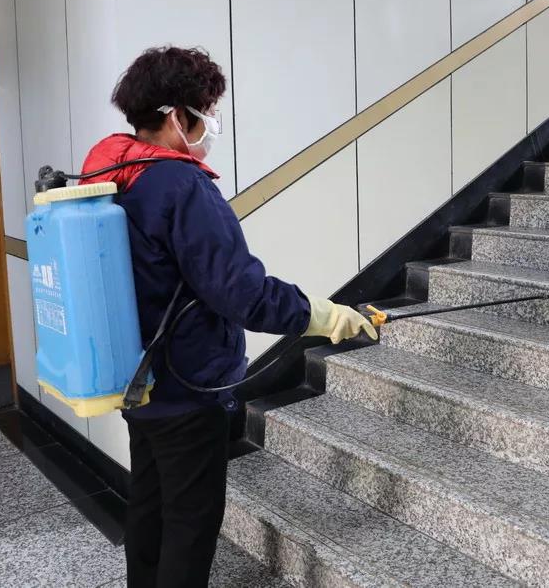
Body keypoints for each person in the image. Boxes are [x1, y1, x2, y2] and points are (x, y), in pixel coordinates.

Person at [79, 46, 377, 588]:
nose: (213, 123)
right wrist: (325, 315)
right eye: (208, 110)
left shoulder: (115, 173)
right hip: (187, 388)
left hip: (135, 380)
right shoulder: (181, 186)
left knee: (150, 506)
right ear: (177, 115)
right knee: (189, 524)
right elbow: (242, 293)